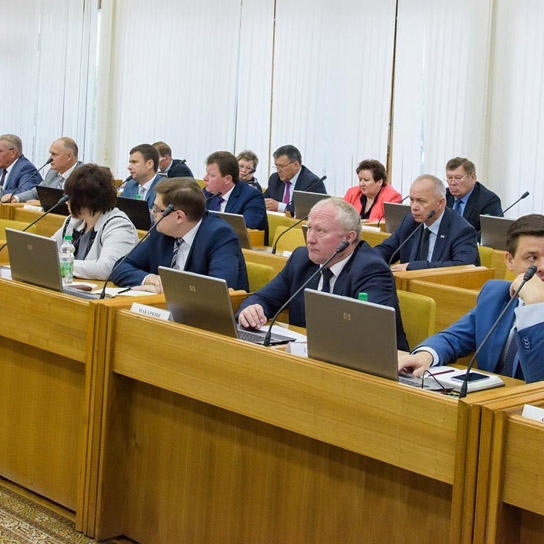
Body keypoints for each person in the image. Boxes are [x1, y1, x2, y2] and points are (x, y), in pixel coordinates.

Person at [238, 198, 409, 350]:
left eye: (321, 231)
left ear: (349, 237)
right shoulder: (301, 259)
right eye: (309, 228)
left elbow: (370, 334)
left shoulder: (371, 270)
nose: (310, 239)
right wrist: (253, 308)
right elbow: (264, 298)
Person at [399, 214, 544, 383]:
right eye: (532, 258)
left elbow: (538, 380)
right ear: (510, 261)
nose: (542, 267)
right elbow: (455, 337)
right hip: (488, 396)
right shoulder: (496, 294)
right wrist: (426, 355)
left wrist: (536, 309)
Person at [111, 177, 249, 292]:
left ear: (179, 216)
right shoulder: (161, 231)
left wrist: (169, 288)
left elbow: (219, 289)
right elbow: (120, 267)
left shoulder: (220, 236)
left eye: (157, 209)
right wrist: (150, 279)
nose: (153, 214)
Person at [52, 164, 139, 280]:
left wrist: (60, 263)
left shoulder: (119, 225)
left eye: (68, 197)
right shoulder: (73, 221)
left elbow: (108, 268)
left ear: (84, 199)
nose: (66, 202)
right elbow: (48, 251)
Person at [375, 175, 480, 271]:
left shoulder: (461, 230)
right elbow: (386, 249)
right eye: (412, 200)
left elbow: (463, 266)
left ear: (440, 203)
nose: (414, 207)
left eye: (421, 201)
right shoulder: (410, 221)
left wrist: (412, 267)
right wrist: (370, 259)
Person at [203, 151, 268, 235]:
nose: (205, 178)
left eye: (211, 175)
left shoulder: (252, 197)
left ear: (227, 179)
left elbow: (244, 230)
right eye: (206, 173)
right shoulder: (207, 194)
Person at [2, 137, 82, 203]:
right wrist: (16, 198)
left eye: (54, 154)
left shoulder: (84, 175)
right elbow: (36, 192)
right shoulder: (52, 172)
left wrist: (41, 203)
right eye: (50, 154)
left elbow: (80, 203)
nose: (50, 158)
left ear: (69, 156)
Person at [263, 144, 326, 215]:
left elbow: (311, 211)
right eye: (276, 166)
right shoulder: (275, 179)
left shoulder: (312, 183)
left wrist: (280, 207)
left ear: (295, 165)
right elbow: (263, 200)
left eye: (281, 166)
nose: (278, 170)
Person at [445, 157, 502, 233]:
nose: (453, 183)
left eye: (458, 178)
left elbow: (491, 234)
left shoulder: (489, 201)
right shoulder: (443, 196)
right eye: (449, 178)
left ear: (472, 178)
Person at [120, 144, 163, 209]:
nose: (129, 167)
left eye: (134, 162)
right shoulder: (130, 185)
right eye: (130, 163)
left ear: (149, 164)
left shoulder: (164, 189)